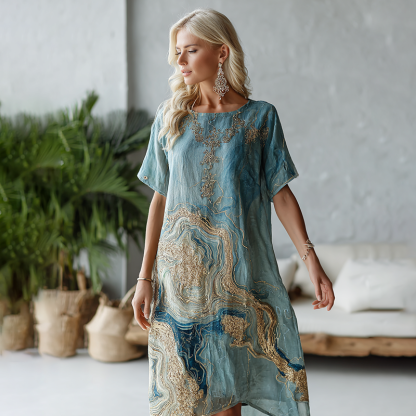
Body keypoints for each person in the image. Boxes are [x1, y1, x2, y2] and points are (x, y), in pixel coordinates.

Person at [132, 8, 335, 416]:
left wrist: (311, 260)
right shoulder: (170, 117)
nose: (180, 60)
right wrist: (144, 278)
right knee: (185, 394)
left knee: (229, 394)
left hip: (237, 279)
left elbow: (280, 194)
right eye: (177, 52)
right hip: (181, 281)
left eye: (191, 50)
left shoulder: (260, 118)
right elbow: (160, 200)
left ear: (221, 52)